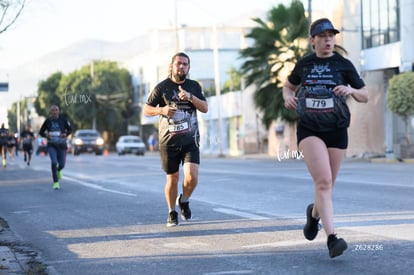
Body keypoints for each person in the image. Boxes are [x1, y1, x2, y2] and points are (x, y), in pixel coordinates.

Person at [282, 18, 369, 258]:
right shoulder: (305, 64)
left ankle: (313, 217)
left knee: (327, 185)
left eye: (331, 35)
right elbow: (288, 86)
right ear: (313, 41)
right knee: (323, 182)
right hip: (309, 128)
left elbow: (365, 95)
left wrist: (351, 90)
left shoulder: (343, 65)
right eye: (322, 36)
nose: (328, 39)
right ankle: (332, 238)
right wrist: (287, 97)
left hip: (337, 128)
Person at [143, 52, 208, 227]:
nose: (181, 67)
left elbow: (205, 108)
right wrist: (161, 111)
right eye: (178, 63)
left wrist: (190, 97)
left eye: (185, 64)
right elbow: (146, 109)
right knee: (172, 179)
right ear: (171, 66)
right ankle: (172, 211)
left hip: (190, 141)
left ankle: (184, 200)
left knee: (192, 177)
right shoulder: (162, 87)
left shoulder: (194, 86)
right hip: (168, 142)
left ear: (188, 68)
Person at [39, 105, 72, 190]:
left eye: (56, 110)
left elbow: (70, 130)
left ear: (58, 111)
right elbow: (41, 132)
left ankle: (59, 170)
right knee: (54, 162)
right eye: (52, 110)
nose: (54, 112)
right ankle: (56, 182)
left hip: (62, 145)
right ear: (50, 112)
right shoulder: (48, 121)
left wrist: (65, 134)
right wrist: (46, 135)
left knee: (61, 164)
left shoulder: (63, 120)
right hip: (51, 145)